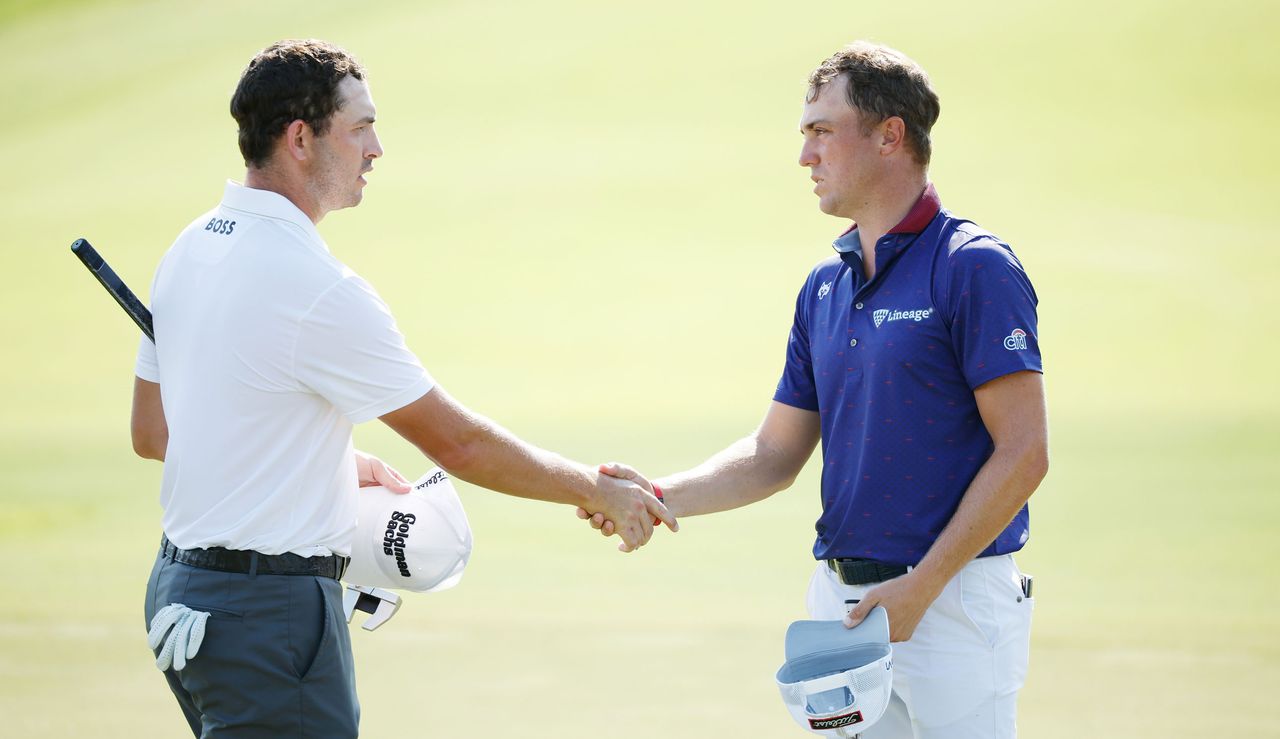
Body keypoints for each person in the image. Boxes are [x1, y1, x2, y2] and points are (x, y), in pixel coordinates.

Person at [131, 38, 675, 738]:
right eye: (359, 127)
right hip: (268, 620)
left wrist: (318, 460)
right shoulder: (319, 289)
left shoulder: (188, 247)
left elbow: (158, 434)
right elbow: (459, 442)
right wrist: (595, 489)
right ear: (300, 138)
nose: (377, 147)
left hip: (184, 596)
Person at [584, 41, 1048, 738]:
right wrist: (658, 496)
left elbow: (1025, 452)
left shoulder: (972, 266)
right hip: (842, 607)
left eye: (821, 132)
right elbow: (775, 453)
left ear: (890, 135)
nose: (806, 156)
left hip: (954, 600)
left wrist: (922, 585)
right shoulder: (824, 287)